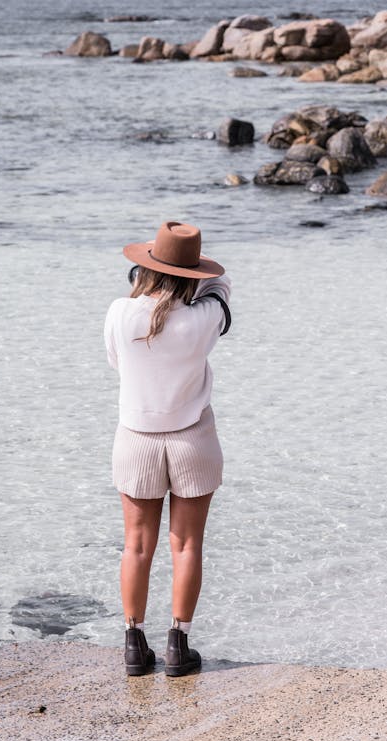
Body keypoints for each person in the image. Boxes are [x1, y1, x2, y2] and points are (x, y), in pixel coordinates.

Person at [104, 221, 230, 677]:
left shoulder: (120, 311)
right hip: (192, 439)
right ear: (192, 275)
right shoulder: (204, 317)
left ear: (146, 269)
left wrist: (141, 284)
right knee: (187, 545)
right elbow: (221, 287)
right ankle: (178, 644)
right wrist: (201, 276)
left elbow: (117, 361)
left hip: (136, 439)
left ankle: (135, 645)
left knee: (136, 546)